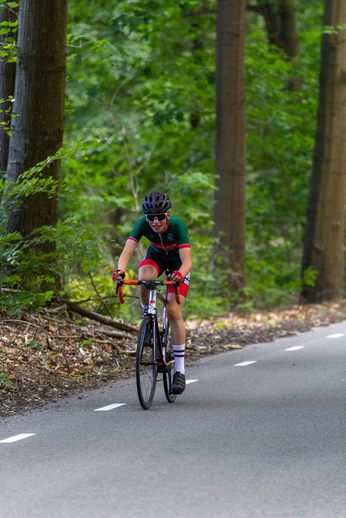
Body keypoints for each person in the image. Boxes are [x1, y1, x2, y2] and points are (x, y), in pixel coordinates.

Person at [112, 190, 192, 394]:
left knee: (174, 312)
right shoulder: (142, 224)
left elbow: (188, 261)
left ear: (168, 215)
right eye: (150, 218)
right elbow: (126, 252)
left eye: (159, 217)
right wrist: (120, 271)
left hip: (177, 264)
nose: (155, 222)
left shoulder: (177, 226)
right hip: (156, 257)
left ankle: (180, 371)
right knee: (144, 278)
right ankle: (149, 315)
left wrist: (180, 275)